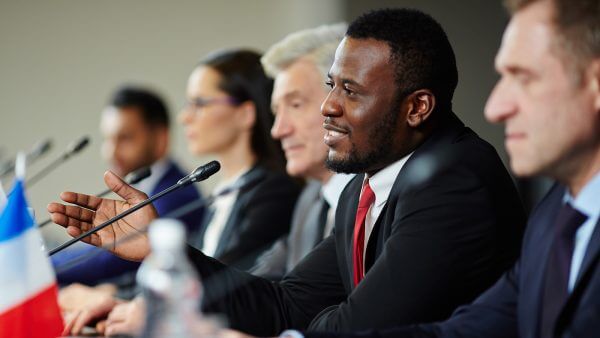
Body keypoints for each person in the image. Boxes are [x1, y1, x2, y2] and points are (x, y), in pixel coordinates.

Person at [48, 8, 526, 336]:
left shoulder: (454, 179)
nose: (328, 106)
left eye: (352, 91)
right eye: (330, 85)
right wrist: (158, 248)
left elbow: (356, 328)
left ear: (417, 107)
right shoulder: (365, 185)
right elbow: (285, 304)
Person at [278, 0, 600, 337]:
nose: (495, 108)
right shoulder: (554, 217)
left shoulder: (459, 179)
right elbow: (463, 332)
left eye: (524, 77)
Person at [51, 86, 204, 288]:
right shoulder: (143, 185)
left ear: (160, 139)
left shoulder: (178, 195)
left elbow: (107, 261)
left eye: (125, 138)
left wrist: (38, 265)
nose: (111, 152)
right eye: (108, 139)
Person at [249, 22, 354, 280]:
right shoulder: (309, 199)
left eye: (295, 105)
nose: (278, 130)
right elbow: (262, 288)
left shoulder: (380, 200)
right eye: (276, 112)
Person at [181, 49, 300, 270]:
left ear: (245, 113)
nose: (184, 117)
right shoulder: (224, 191)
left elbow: (222, 277)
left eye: (199, 104)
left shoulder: (274, 192)